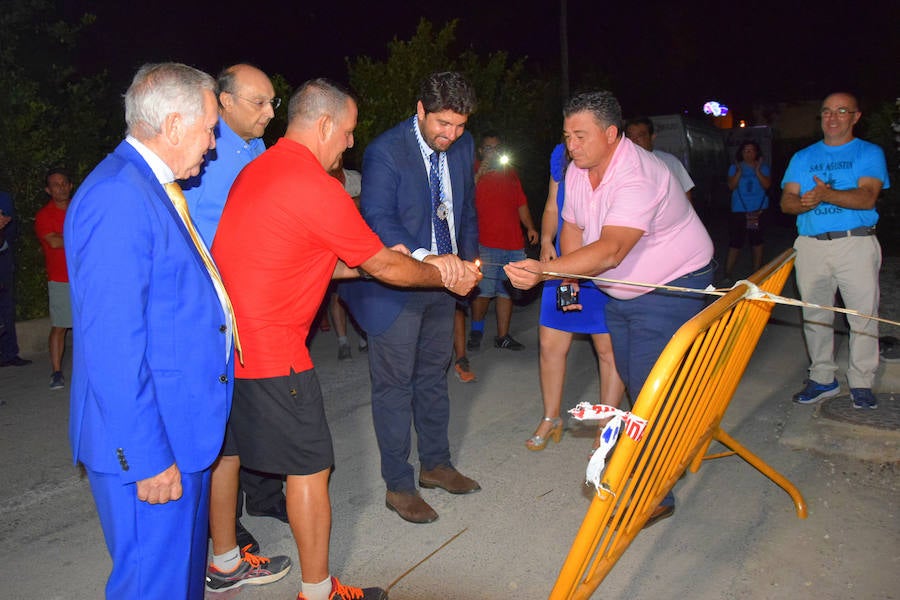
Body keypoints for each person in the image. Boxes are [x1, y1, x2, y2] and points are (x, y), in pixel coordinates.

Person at [213, 78, 479, 600]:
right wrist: (446, 274)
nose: (351, 143)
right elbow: (382, 262)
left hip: (226, 344)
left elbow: (322, 260)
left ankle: (223, 562)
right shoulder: (316, 184)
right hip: (273, 352)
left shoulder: (258, 169)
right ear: (326, 124)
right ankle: (319, 592)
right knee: (313, 467)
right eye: (349, 131)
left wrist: (374, 268)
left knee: (229, 453)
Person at [505, 90, 713, 526]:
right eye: (567, 136)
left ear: (612, 134)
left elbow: (613, 249)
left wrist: (544, 273)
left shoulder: (638, 173)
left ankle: (656, 491)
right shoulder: (580, 167)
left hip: (671, 284)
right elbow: (574, 227)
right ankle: (658, 446)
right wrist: (566, 277)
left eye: (580, 136)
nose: (571, 146)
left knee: (648, 383)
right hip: (620, 289)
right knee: (635, 375)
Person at [65, 62, 234, 599]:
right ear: (176, 123)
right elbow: (112, 346)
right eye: (210, 128)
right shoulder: (119, 195)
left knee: (179, 583)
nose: (212, 144)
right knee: (151, 586)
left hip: (181, 427)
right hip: (153, 443)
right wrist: (147, 456)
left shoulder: (150, 187)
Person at [340, 72, 482, 525]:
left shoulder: (462, 145)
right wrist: (431, 259)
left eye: (459, 126)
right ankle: (399, 486)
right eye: (442, 123)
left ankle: (436, 465)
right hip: (398, 285)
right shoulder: (386, 150)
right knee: (394, 388)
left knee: (432, 377)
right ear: (420, 109)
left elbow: (466, 211)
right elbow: (379, 217)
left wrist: (468, 262)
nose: (451, 135)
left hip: (444, 283)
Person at [179, 63, 290, 591]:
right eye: (260, 102)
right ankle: (221, 534)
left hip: (250, 306)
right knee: (215, 429)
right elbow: (190, 235)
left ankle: (254, 506)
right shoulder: (202, 151)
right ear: (222, 102)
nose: (271, 112)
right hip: (210, 313)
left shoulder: (257, 150)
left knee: (246, 415)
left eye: (273, 102)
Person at [780, 92, 890, 410]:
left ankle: (861, 381)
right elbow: (787, 200)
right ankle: (823, 378)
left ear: (856, 117)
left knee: (862, 316)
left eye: (841, 111)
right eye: (826, 111)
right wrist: (802, 202)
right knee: (815, 315)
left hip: (854, 243)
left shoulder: (869, 153)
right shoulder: (802, 157)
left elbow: (867, 197)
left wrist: (826, 195)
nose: (832, 117)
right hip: (812, 246)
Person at [527, 142, 624, 452]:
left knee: (608, 349)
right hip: (564, 263)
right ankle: (551, 416)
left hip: (601, 264)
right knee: (550, 343)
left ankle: (605, 427)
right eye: (568, 132)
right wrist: (545, 239)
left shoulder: (617, 156)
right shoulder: (561, 154)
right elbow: (554, 205)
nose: (573, 140)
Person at [467, 131, 538, 352]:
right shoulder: (472, 170)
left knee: (508, 290)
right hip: (486, 241)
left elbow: (521, 204)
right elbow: (463, 199)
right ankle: (476, 330)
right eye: (489, 148)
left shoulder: (510, 172)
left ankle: (502, 336)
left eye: (497, 148)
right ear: (481, 151)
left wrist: (530, 227)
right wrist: (480, 173)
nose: (493, 152)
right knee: (484, 290)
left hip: (514, 243)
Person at [325, 158, 368, 360]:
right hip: (332, 245)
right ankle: (343, 341)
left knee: (359, 290)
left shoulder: (355, 178)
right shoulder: (321, 180)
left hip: (356, 241)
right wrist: (354, 202)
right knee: (337, 295)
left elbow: (368, 204)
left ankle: (363, 333)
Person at [35, 168, 73, 389]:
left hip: (85, 278)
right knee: (60, 325)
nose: (60, 187)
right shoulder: (44, 215)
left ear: (70, 185)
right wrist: (81, 236)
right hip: (61, 278)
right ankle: (56, 371)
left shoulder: (80, 208)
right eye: (55, 184)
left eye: (64, 183)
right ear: (48, 190)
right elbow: (54, 242)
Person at [723, 141, 771, 282]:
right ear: (741, 153)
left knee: (757, 241)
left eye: (751, 151)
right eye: (745, 151)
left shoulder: (763, 168)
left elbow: (767, 185)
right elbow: (731, 186)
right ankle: (727, 273)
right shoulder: (734, 168)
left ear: (757, 153)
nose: (749, 154)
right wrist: (738, 171)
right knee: (735, 243)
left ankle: (756, 272)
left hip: (758, 211)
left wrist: (757, 171)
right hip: (739, 210)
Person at [624, 116, 695, 202]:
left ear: (652, 137)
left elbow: (686, 193)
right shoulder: (621, 165)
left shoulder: (670, 162)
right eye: (630, 137)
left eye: (640, 136)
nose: (634, 141)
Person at [0, 190, 32, 367]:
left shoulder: (4, 197)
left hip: (3, 257)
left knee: (6, 305)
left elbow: (12, 227)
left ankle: (9, 352)